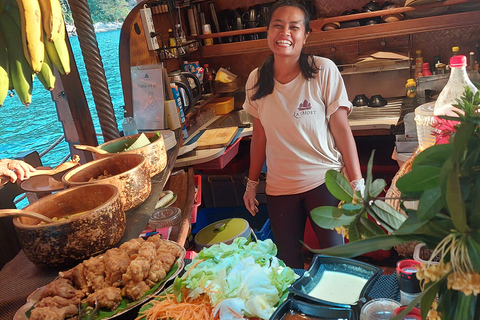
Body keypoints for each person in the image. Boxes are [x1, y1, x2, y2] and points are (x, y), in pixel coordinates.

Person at [242, 0, 363, 268]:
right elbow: (258, 138)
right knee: (288, 265)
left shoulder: (323, 71)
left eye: (293, 27)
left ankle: (340, 310)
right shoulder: (256, 80)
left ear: (305, 36)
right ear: (267, 32)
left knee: (338, 261)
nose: (284, 33)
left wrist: (356, 183)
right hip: (279, 188)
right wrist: (252, 184)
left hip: (325, 182)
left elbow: (342, 129)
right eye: (277, 26)